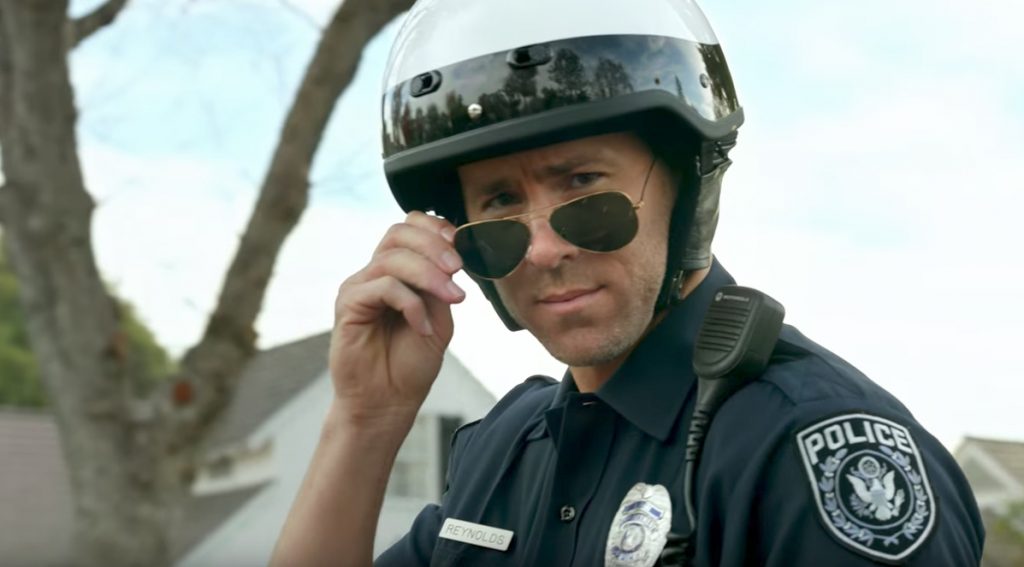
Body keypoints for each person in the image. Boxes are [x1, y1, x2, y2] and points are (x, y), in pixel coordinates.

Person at [271, 0, 985, 565]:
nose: (544, 249)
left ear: (687, 189)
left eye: (584, 184)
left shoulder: (810, 450)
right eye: (500, 204)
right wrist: (365, 422)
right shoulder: (505, 447)